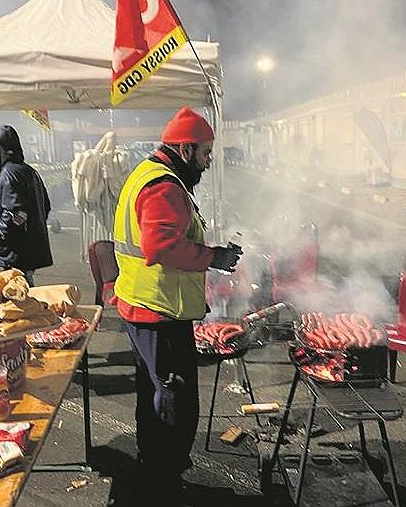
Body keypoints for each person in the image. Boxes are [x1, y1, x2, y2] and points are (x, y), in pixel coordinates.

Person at [112, 107, 241, 504]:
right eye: (204, 154)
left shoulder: (149, 174)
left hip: (147, 306)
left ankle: (155, 472)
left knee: (155, 397)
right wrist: (214, 257)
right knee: (172, 402)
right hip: (157, 311)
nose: (206, 164)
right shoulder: (163, 186)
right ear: (185, 150)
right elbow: (162, 247)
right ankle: (162, 484)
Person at [0, 125, 52, 286]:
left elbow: (15, 214)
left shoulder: (9, 174)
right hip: (27, 250)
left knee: (18, 296)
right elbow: (45, 206)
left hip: (15, 253)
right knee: (26, 291)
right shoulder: (27, 170)